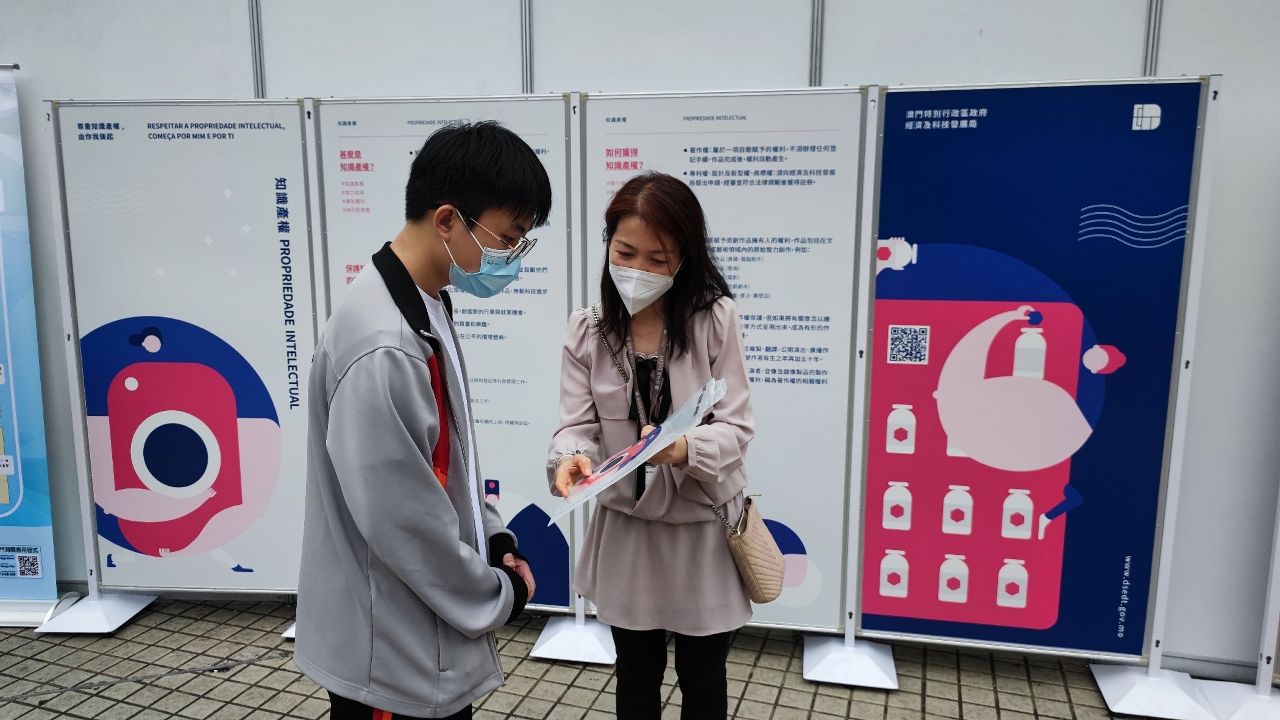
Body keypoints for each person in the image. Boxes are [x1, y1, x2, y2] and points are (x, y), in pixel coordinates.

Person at [295, 121, 549, 720]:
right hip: (392, 656)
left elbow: (447, 461)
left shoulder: (420, 303)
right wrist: (499, 594)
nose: (512, 258)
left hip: (412, 639)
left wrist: (493, 539)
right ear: (447, 220)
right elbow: (403, 520)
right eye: (508, 238)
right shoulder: (385, 343)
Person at [548, 172, 754, 719]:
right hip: (629, 529)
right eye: (625, 253)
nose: (637, 270)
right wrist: (570, 458)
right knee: (636, 676)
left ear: (685, 258)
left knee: (703, 678)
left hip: (702, 528)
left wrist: (682, 448)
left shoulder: (714, 318)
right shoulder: (588, 329)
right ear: (608, 247)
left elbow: (736, 428)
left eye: (657, 259)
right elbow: (576, 425)